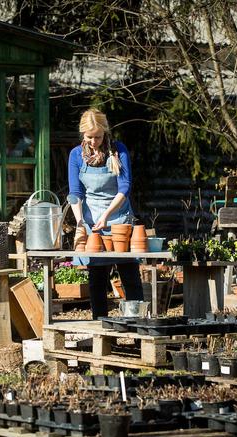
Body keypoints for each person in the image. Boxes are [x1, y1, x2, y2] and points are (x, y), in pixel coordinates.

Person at [67, 108, 143, 319]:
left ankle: (135, 323)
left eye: (98, 137)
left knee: (130, 275)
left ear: (105, 132)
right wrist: (81, 221)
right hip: (93, 221)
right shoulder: (76, 155)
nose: (94, 141)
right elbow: (75, 193)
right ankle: (100, 323)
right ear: (82, 134)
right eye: (89, 137)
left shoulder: (118, 150)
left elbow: (125, 187)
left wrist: (108, 215)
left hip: (119, 217)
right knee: (97, 277)